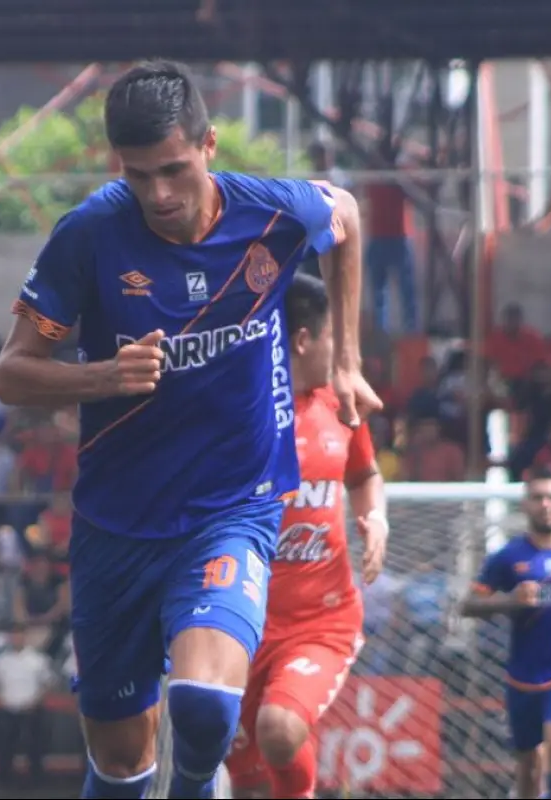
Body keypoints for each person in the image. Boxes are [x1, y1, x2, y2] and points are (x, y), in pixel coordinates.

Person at [0, 61, 380, 799]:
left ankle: (195, 787)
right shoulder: (90, 235)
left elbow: (349, 217)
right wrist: (103, 376)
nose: (159, 195)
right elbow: (11, 373)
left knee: (203, 704)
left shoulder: (273, 214)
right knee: (119, 761)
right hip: (117, 523)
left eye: (173, 170)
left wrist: (347, 365)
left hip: (233, 505)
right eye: (140, 177)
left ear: (208, 145)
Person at [225, 274, 388, 799]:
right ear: (301, 340)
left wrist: (376, 517)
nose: (345, 356)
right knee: (245, 780)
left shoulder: (343, 403)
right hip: (240, 620)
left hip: (322, 619)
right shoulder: (236, 414)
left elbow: (364, 476)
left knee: (278, 730)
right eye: (334, 341)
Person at [460, 466, 551, 800]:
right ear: (525, 504)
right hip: (524, 675)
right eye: (537, 497)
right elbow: (468, 605)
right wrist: (511, 600)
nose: (545, 504)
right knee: (528, 769)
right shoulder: (508, 557)